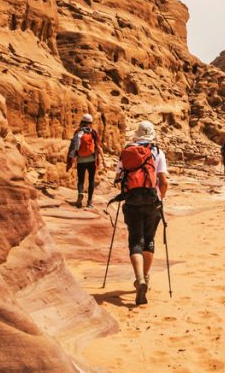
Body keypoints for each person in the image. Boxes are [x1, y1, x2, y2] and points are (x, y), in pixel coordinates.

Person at [114, 120, 169, 306]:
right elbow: (164, 181)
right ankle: (146, 275)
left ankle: (139, 279)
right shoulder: (157, 152)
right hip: (152, 201)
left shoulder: (127, 152)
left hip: (132, 201)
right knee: (149, 239)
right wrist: (161, 198)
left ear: (137, 134)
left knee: (135, 241)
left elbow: (118, 178)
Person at [66, 113, 102, 208]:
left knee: (81, 180)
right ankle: (90, 202)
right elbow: (98, 146)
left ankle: (80, 193)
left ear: (82, 122)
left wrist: (72, 159)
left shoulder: (77, 132)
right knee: (91, 180)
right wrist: (101, 159)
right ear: (90, 123)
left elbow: (73, 146)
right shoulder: (93, 132)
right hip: (91, 160)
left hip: (81, 160)